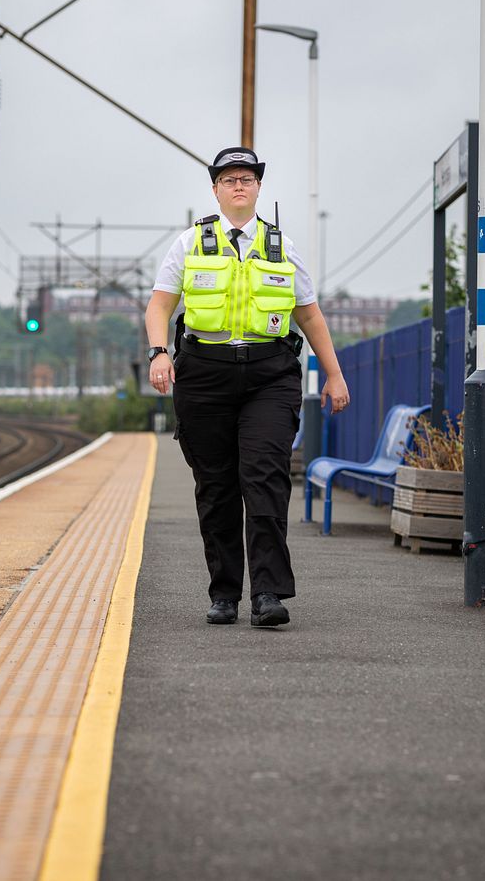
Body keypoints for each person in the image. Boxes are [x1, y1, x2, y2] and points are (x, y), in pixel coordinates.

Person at [144, 146, 349, 627]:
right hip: (205, 374)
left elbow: (310, 314)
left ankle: (268, 594)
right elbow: (159, 307)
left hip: (269, 375)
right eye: (229, 179)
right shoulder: (190, 244)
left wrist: (334, 374)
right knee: (216, 487)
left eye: (248, 179)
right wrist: (159, 352)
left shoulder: (282, 247)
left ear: (259, 188)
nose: (239, 185)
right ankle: (224, 594)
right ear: (215, 189)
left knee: (265, 479)